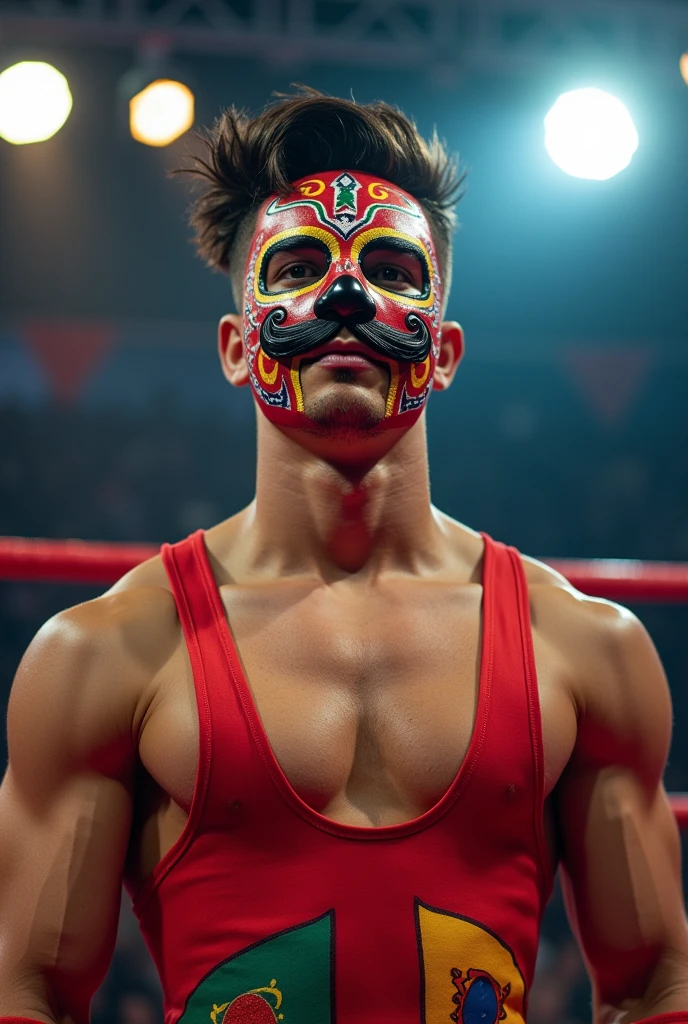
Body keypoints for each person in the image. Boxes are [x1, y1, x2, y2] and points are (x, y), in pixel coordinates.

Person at [1, 88, 687, 1024]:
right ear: (239, 346)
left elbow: (657, 987)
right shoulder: (106, 650)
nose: (347, 296)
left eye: (393, 267)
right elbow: (28, 994)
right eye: (298, 264)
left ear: (442, 351)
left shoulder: (585, 645)